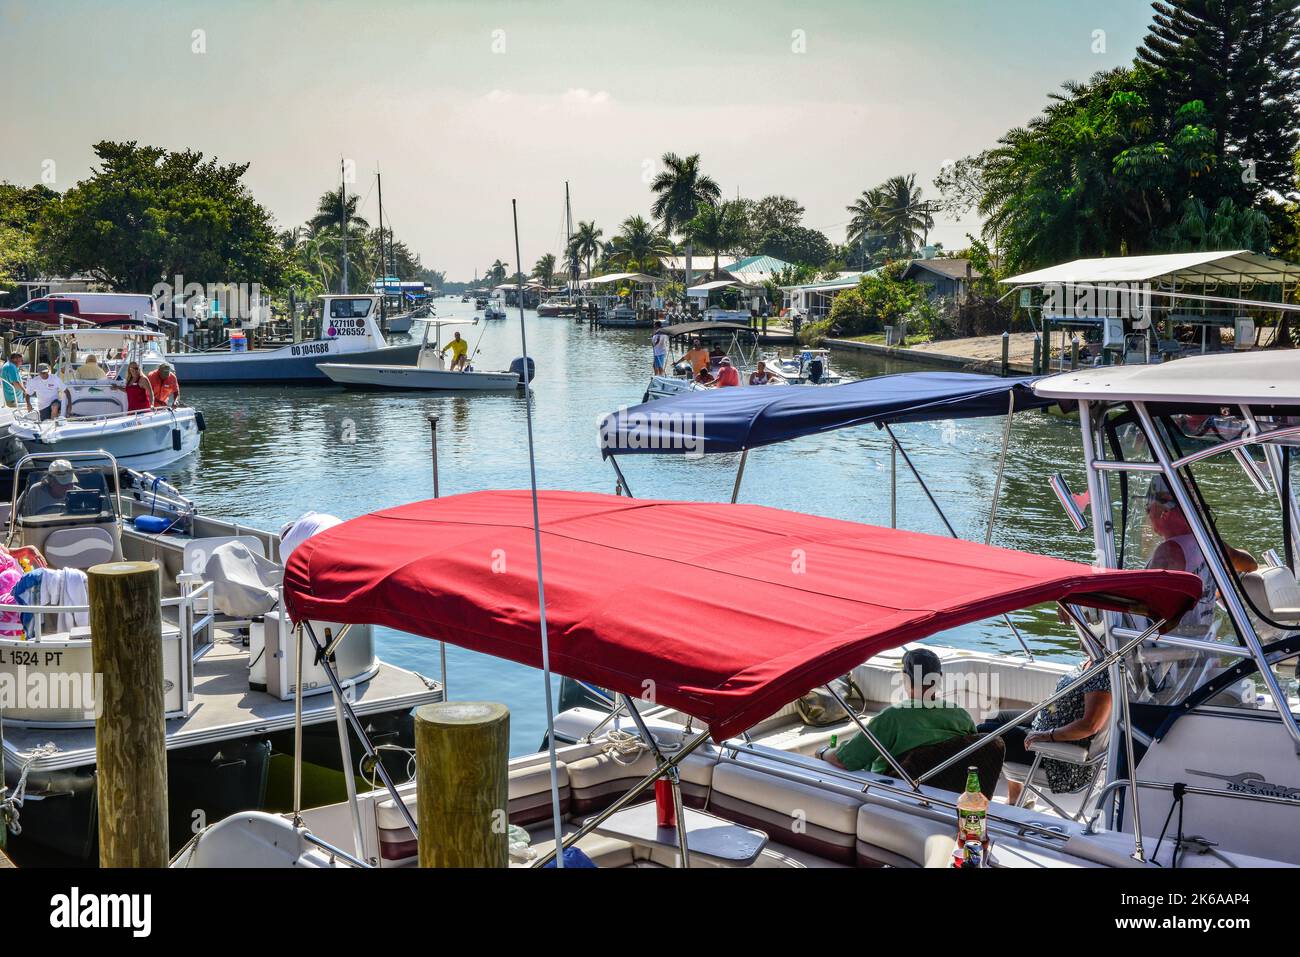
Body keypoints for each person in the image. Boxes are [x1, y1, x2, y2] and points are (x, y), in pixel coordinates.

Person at [820, 647, 975, 774]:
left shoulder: (893, 717)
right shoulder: (961, 715)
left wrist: (822, 752)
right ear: (939, 677)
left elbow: (844, 761)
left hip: (892, 789)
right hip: (943, 787)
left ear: (905, 678)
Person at [977, 658, 1111, 803]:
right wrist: (1045, 712)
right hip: (1047, 724)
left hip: (1059, 756)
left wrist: (1047, 735)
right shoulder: (1089, 660)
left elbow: (1090, 725)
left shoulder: (1101, 672)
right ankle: (1018, 797)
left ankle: (976, 802)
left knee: (985, 734)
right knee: (995, 718)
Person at [1144, 474, 1256, 635]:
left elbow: (1146, 615)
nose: (1148, 515)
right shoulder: (1212, 545)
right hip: (1205, 642)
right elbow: (1250, 564)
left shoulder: (1168, 553)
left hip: (1173, 646)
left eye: (1148, 508)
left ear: (1165, 511)